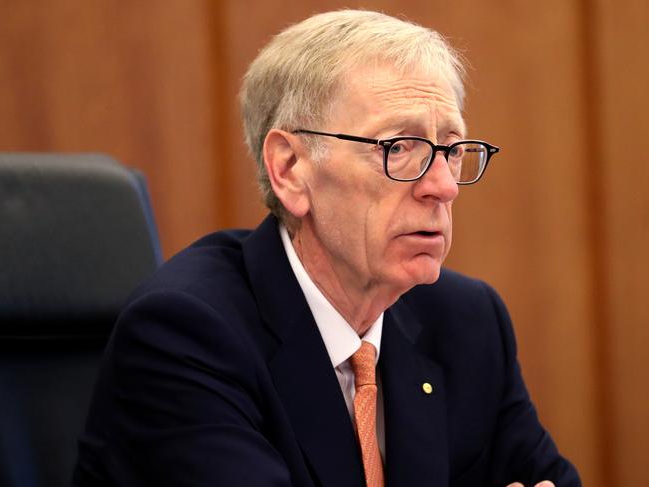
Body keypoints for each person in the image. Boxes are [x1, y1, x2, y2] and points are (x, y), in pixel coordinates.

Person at [73, 10, 581, 487]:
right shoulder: (184, 335)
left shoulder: (467, 323)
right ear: (291, 169)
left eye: (449, 149)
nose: (444, 186)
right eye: (399, 147)